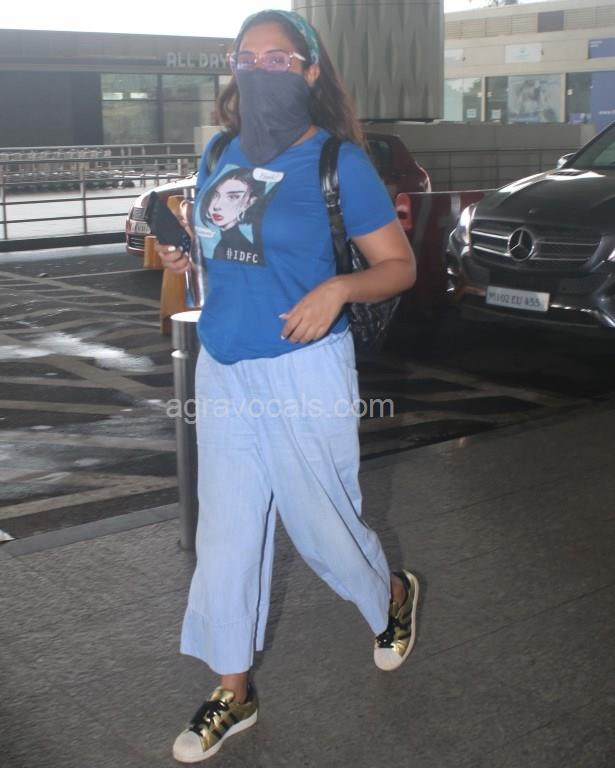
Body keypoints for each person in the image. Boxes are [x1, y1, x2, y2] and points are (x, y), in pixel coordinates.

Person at [157, 9, 418, 763]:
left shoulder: (338, 162)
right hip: (225, 366)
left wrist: (338, 288)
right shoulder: (218, 151)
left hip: (304, 369)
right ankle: (232, 690)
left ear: (309, 70)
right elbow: (226, 250)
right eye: (248, 57)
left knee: (322, 526)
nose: (261, 69)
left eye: (279, 58)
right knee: (227, 535)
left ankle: (391, 594)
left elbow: (398, 267)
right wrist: (185, 259)